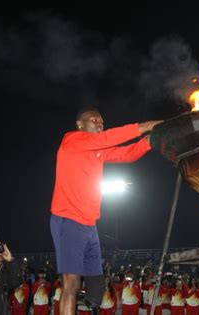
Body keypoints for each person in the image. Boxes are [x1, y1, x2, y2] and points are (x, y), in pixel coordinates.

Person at [50, 106, 162, 315]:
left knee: (96, 289)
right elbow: (107, 139)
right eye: (94, 120)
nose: (100, 123)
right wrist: (145, 127)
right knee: (71, 283)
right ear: (80, 124)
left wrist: (150, 140)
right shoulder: (71, 140)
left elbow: (127, 154)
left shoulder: (97, 151)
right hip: (68, 219)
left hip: (89, 225)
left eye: (102, 121)